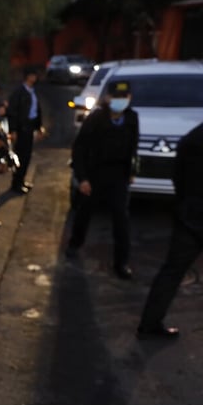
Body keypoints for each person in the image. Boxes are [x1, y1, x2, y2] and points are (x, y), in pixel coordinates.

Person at [137, 78, 203, 339]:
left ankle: (149, 324)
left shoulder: (195, 135)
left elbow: (178, 175)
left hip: (189, 217)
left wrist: (185, 204)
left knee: (171, 272)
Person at [66, 80, 139, 280]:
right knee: (84, 212)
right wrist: (82, 178)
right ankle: (75, 243)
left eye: (125, 97)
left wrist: (132, 171)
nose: (121, 101)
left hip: (118, 176)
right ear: (107, 98)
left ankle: (121, 263)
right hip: (95, 173)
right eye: (116, 97)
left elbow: (134, 148)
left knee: (121, 220)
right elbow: (79, 148)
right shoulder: (96, 118)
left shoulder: (132, 118)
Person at [6, 66, 44, 194]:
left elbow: (36, 111)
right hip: (22, 128)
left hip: (29, 127)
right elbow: (13, 112)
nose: (35, 78)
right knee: (21, 156)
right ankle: (16, 183)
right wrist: (13, 130)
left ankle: (21, 180)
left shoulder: (32, 91)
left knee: (26, 156)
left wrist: (38, 127)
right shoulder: (19, 93)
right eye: (33, 75)